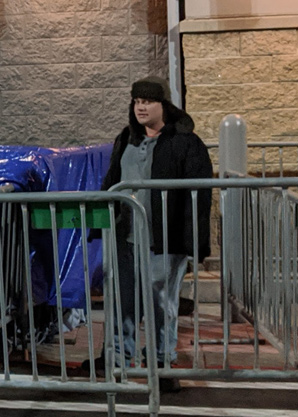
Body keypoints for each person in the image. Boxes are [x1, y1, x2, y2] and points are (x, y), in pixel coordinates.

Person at [85, 76, 213, 391]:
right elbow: (111, 182)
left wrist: (193, 240)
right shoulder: (125, 139)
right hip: (125, 237)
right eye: (137, 101)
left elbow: (198, 195)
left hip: (164, 241)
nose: (141, 106)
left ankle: (162, 363)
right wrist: (99, 222)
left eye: (148, 101)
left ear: (163, 105)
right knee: (121, 301)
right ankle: (118, 359)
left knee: (161, 303)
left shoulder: (186, 143)